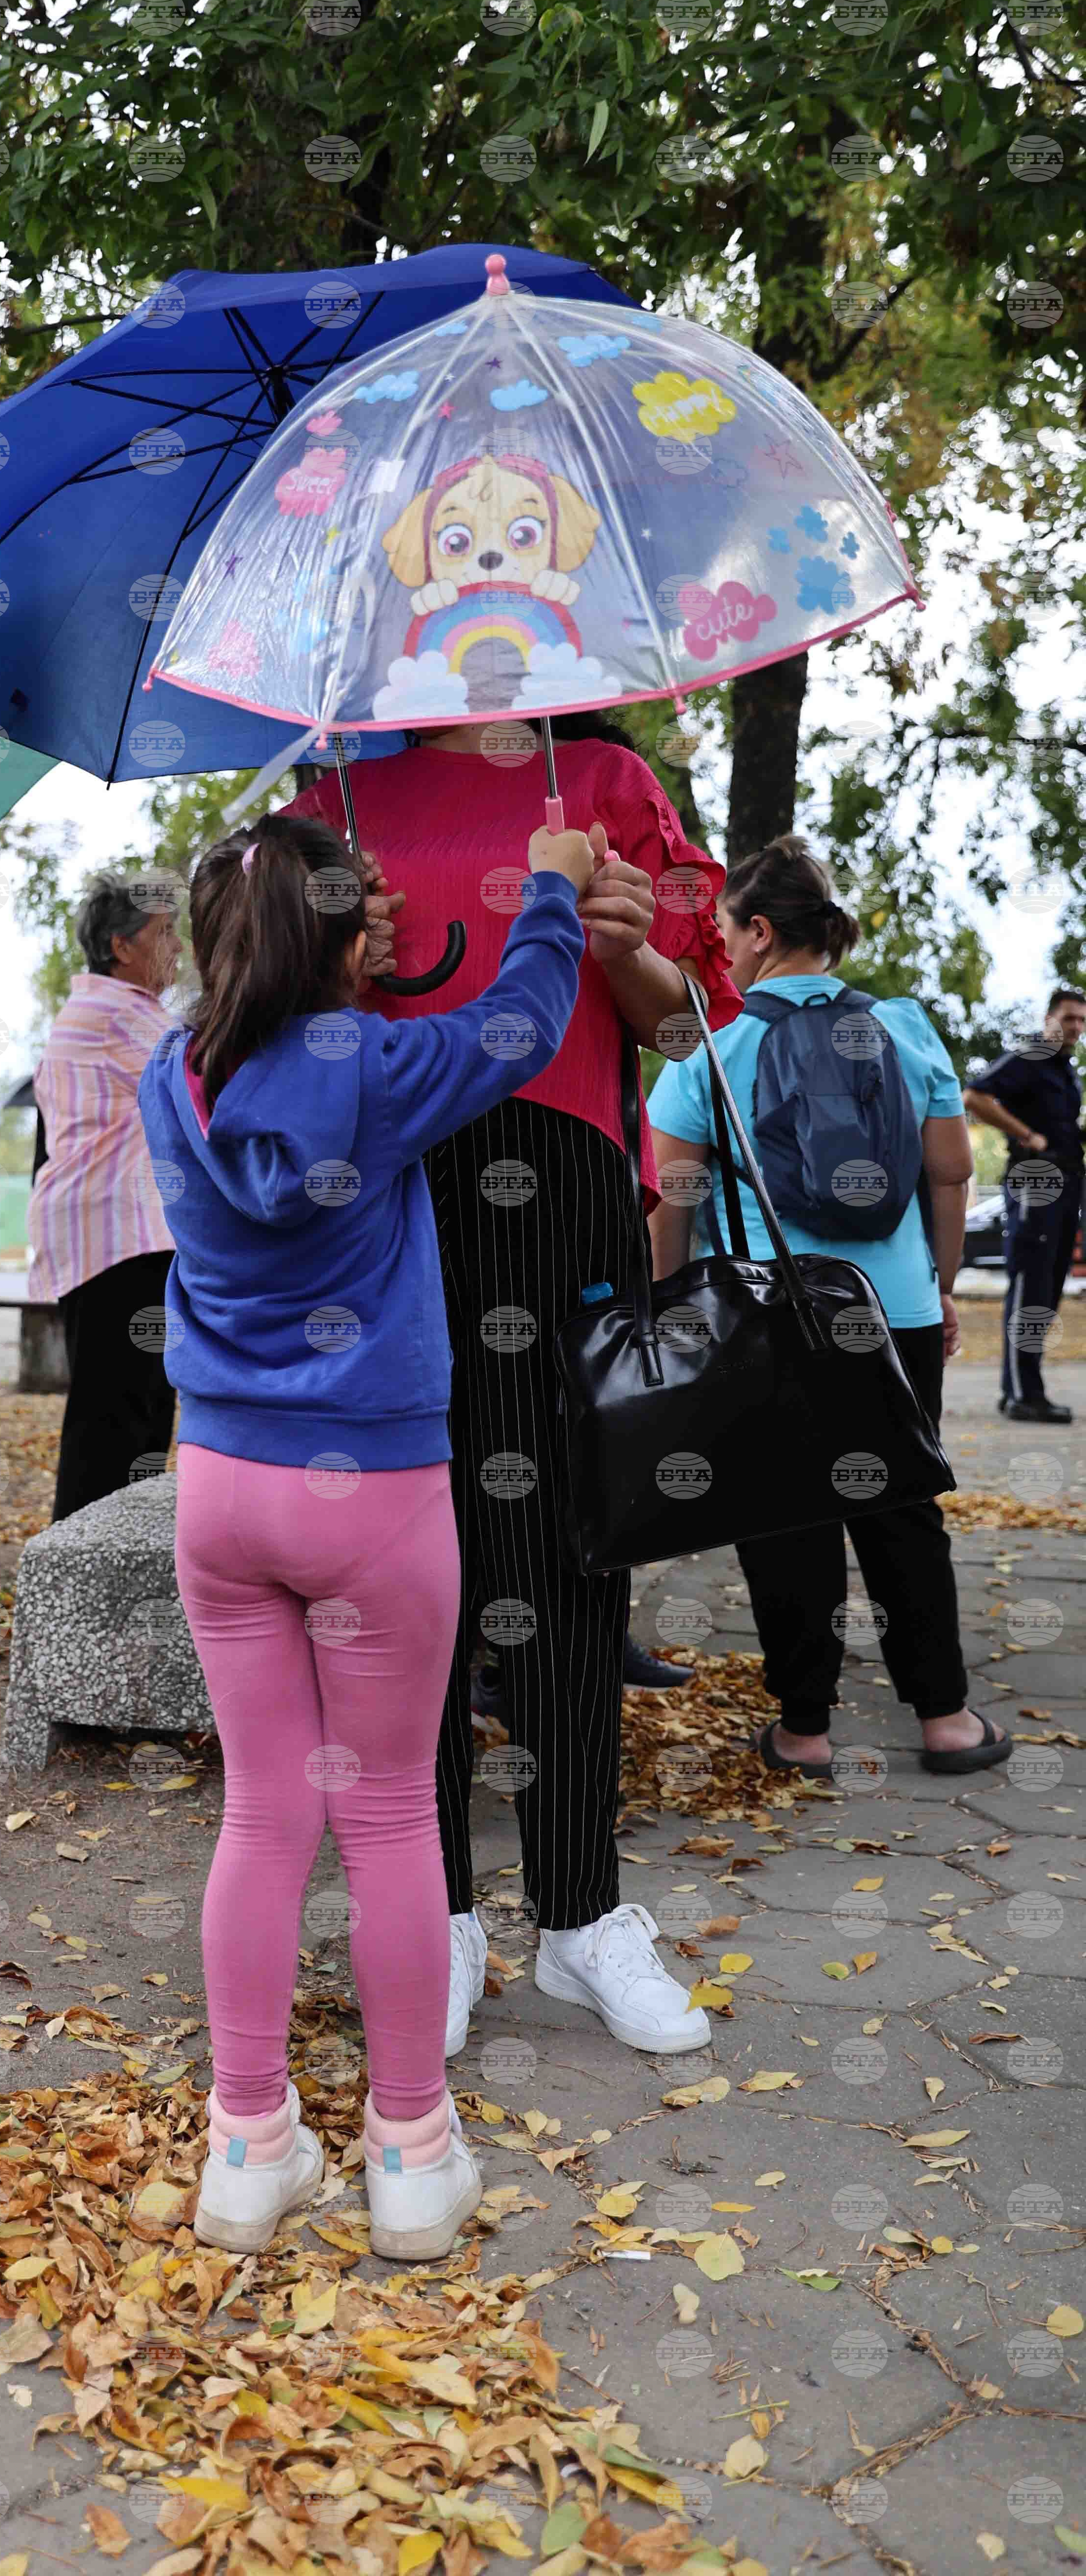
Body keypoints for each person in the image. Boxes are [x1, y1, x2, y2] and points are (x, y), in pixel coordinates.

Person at [141, 807, 590, 2257]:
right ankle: (409, 2151)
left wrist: (342, 954)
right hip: (371, 1491)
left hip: (218, 1483)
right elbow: (520, 1027)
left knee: (265, 1812)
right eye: (368, 914)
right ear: (333, 939)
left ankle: (250, 2145)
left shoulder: (172, 1069)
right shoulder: (373, 1065)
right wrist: (553, 898)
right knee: (393, 1810)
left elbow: (279, 1039)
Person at [286, 715, 732, 2058]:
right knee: (405, 1565)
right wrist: (335, 949)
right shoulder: (339, 788)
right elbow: (280, 1016)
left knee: (567, 1556)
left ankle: (583, 1918)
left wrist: (628, 947)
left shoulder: (600, 780)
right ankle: (438, 1919)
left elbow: (680, 1025)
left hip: (570, 1187)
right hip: (390, 1186)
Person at [648, 836, 1010, 1777]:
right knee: (901, 1501)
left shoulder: (715, 1054)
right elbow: (951, 1171)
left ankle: (803, 1728)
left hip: (771, 1318)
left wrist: (670, 1320)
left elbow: (671, 1209)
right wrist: (934, 1278)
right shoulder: (903, 1028)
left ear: (760, 931)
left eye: (728, 930)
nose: (723, 950)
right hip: (892, 1312)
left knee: (783, 1509)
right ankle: (945, 1719)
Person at [29, 873, 181, 1519]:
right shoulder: (117, 1012)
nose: (179, 947)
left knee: (132, 1415)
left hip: (121, 1242)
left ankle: (103, 1574)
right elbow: (206, 1081)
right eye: (165, 932)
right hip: (116, 1243)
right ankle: (80, 1581)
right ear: (122, 947)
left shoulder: (116, 1009)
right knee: (115, 1421)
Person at [963, 987, 1086, 1424]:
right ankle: (1022, 1395)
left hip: (1066, 1185)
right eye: (1068, 1018)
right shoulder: (1030, 1058)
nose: (1075, 1027)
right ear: (1049, 1018)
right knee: (1031, 1286)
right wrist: (1026, 1135)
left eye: (1081, 1021)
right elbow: (975, 1097)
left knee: (1049, 1287)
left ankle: (1022, 1389)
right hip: (1036, 1182)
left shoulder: (1065, 1071)